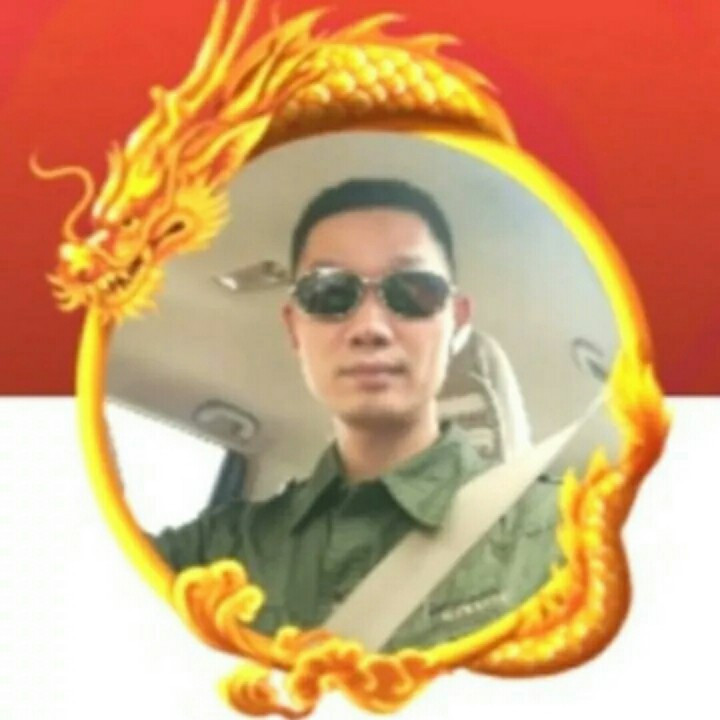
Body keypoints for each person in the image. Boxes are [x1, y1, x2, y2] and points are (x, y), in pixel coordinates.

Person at [154, 178, 563, 652]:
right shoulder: (216, 552)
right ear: (294, 328)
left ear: (457, 320)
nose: (370, 328)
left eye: (413, 291)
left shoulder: (561, 534)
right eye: (329, 293)